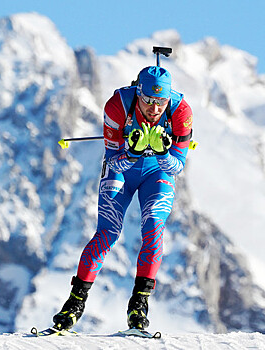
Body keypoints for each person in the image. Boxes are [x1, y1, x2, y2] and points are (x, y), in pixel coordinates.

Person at [52, 65, 193, 331]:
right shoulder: (117, 106)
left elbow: (178, 166)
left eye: (161, 101)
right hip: (123, 171)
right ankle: (74, 303)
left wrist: (162, 153)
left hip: (157, 173)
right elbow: (114, 162)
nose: (155, 109)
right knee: (108, 232)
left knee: (153, 227)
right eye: (148, 101)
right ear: (138, 93)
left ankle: (139, 305)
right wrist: (133, 151)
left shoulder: (181, 112)